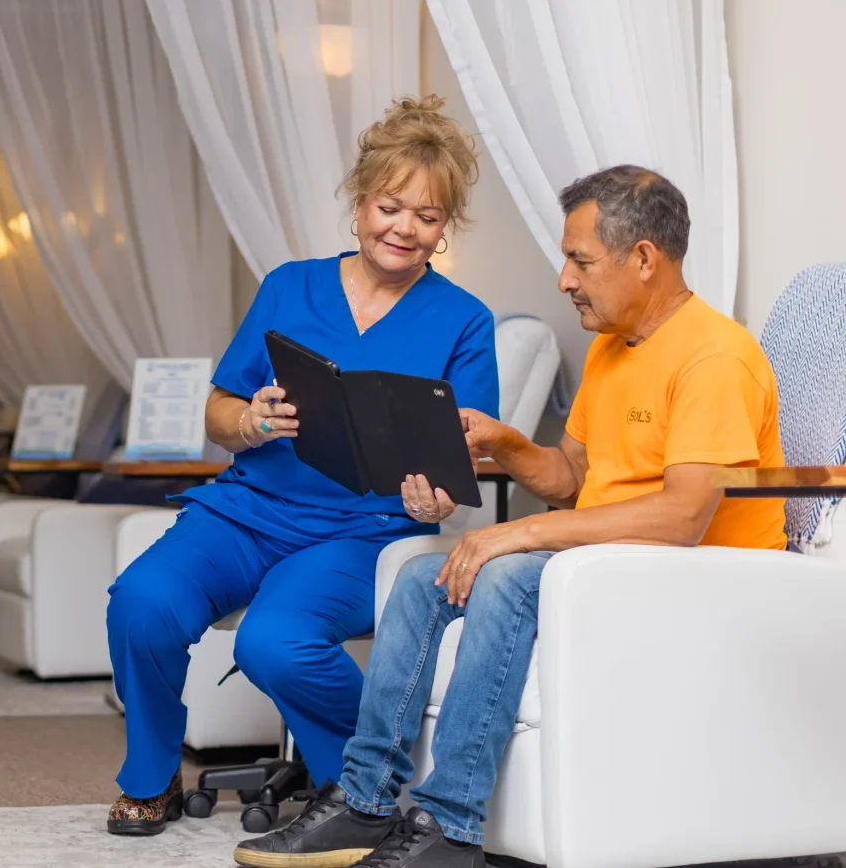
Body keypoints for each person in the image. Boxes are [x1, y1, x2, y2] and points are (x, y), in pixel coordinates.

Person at [234, 165, 787, 868]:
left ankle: (450, 826)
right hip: (618, 564)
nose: (564, 279)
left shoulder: (714, 356)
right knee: (422, 579)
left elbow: (684, 515)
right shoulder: (613, 347)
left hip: (699, 578)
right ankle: (365, 801)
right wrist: (504, 442)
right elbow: (572, 477)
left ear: (644, 258)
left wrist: (519, 533)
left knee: (505, 575)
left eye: (580, 260)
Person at [105, 95, 501, 835]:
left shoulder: (465, 320)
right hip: (247, 512)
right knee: (142, 601)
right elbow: (217, 408)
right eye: (390, 207)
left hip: (361, 533)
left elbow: (458, 464)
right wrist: (250, 421)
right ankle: (151, 777)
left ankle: (361, 787)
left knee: (275, 641)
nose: (404, 228)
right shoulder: (289, 286)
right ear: (358, 204)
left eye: (427, 215)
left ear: (445, 226)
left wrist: (435, 504)